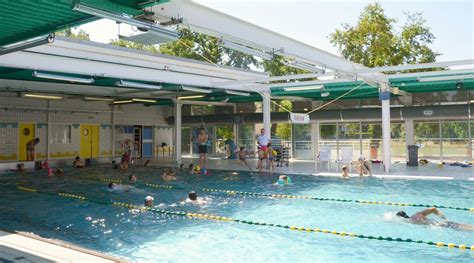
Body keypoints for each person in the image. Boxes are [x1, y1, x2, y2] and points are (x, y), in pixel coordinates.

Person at [396, 208, 474, 231]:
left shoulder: (410, 221)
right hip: (440, 222)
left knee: (462, 227)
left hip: (438, 225)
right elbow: (433, 209)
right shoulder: (417, 214)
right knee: (462, 225)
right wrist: (444, 217)